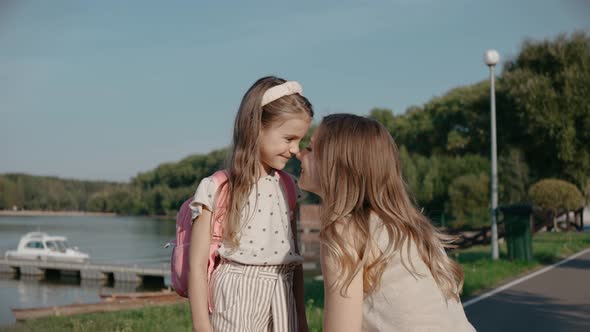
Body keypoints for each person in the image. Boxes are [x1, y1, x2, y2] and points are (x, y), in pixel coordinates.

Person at [296, 114, 475, 332]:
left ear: (337, 164)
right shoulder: (411, 228)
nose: (298, 153)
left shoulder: (344, 232)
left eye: (311, 149)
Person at [188, 76, 313, 332]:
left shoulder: (288, 187)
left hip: (282, 293)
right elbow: (197, 264)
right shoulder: (218, 188)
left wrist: (300, 318)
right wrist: (202, 325)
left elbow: (294, 259)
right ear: (255, 127)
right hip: (236, 297)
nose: (295, 150)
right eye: (289, 138)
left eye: (300, 140)